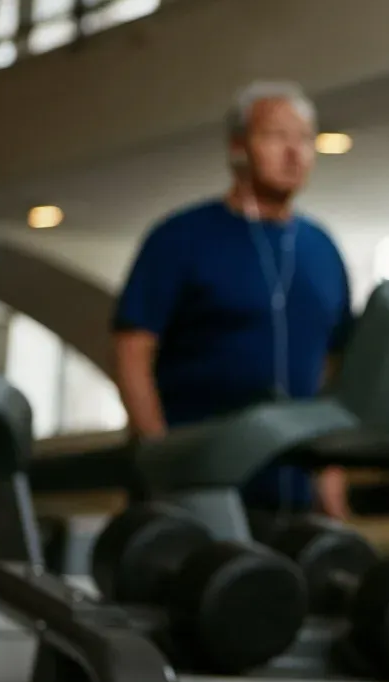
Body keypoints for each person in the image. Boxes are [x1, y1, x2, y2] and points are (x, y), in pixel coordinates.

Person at [112, 81, 357, 520]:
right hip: (197, 486)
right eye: (276, 136)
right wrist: (158, 457)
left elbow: (334, 369)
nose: (294, 152)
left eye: (304, 139)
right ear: (238, 147)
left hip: (293, 494)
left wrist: (331, 472)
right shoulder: (181, 238)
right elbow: (133, 350)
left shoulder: (323, 249)